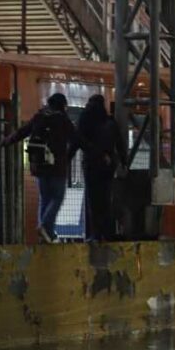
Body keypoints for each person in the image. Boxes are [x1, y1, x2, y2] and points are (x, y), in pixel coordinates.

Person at [2, 93, 77, 243]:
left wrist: (7, 140)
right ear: (62, 105)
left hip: (39, 167)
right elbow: (77, 138)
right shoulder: (62, 119)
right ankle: (44, 226)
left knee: (45, 198)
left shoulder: (39, 116)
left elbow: (22, 132)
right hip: (57, 168)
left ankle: (45, 234)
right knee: (57, 197)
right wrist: (90, 150)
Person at [73, 94, 126, 241]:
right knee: (105, 199)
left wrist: (67, 158)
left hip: (92, 165)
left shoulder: (85, 119)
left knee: (92, 200)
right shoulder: (110, 121)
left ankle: (94, 233)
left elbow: (78, 140)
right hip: (108, 166)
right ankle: (107, 233)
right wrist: (123, 162)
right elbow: (119, 144)